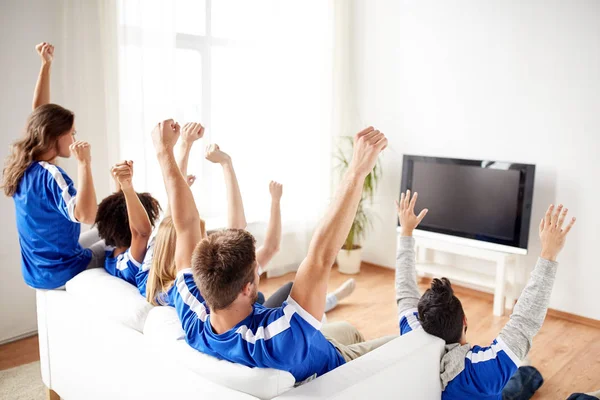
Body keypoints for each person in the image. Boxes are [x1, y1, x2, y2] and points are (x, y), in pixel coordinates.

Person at [154, 120, 394, 383]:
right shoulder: (281, 339)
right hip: (335, 362)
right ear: (247, 288)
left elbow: (185, 224)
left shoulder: (192, 310)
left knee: (348, 328)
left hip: (316, 343)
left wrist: (166, 150)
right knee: (413, 345)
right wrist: (357, 171)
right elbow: (321, 256)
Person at [394, 189, 576, 399]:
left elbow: (405, 290)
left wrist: (406, 232)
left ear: (422, 321)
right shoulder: (482, 372)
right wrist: (548, 253)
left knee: (508, 369)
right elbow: (524, 321)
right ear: (464, 320)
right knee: (516, 383)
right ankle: (527, 371)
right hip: (490, 390)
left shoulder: (411, 333)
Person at [2, 42, 103, 289]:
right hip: (61, 272)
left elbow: (39, 114)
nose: (75, 139)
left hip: (35, 272)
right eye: (72, 133)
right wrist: (84, 163)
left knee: (104, 227)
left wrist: (46, 65)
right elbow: (86, 215)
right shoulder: (52, 175)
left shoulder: (24, 164)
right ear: (55, 137)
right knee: (116, 239)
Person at [94, 160, 161, 285]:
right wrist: (127, 187)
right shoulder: (127, 265)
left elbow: (120, 211)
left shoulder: (111, 252)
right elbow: (141, 232)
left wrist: (121, 183)